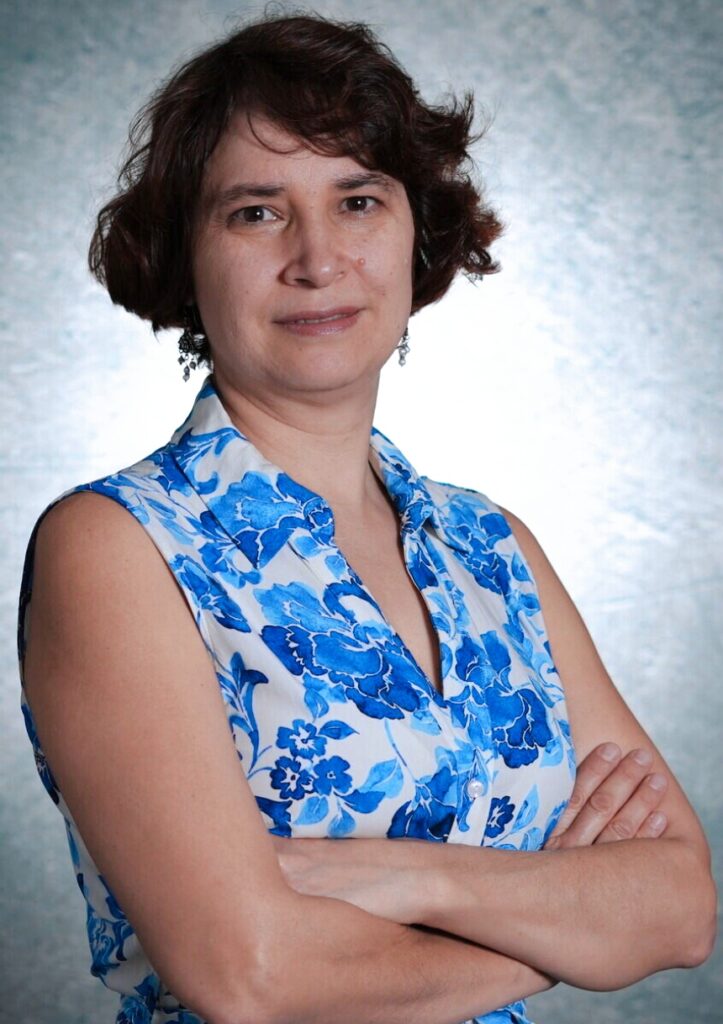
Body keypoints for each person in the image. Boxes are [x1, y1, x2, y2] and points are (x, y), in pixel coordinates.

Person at [18, 11, 715, 1024]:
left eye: (357, 200)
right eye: (255, 212)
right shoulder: (118, 547)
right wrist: (572, 930)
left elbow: (681, 906)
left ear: (414, 230)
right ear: (183, 254)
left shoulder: (492, 547)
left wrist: (412, 877)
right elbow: (252, 976)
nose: (317, 258)